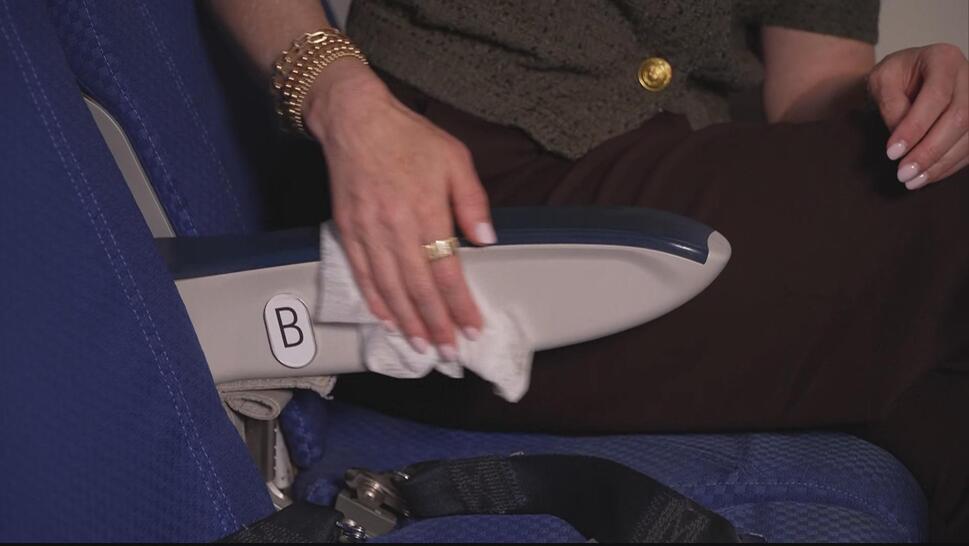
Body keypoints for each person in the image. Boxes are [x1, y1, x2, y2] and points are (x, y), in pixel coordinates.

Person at [210, 0, 969, 540]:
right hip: (441, 180)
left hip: (674, 197)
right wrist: (343, 100)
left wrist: (900, 98)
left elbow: (812, 87)